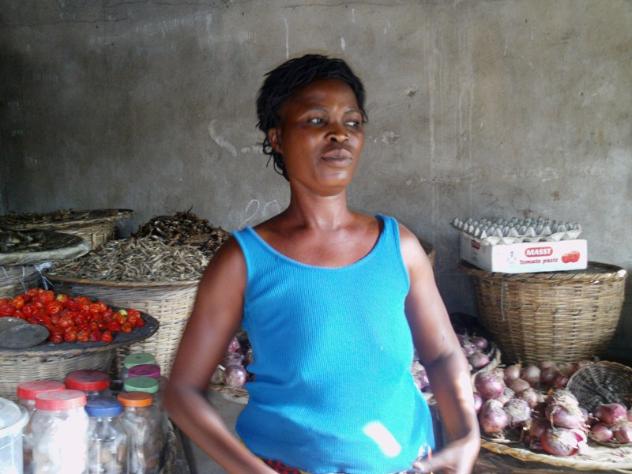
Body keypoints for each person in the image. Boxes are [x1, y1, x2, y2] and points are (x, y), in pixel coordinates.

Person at [165, 54, 480, 474]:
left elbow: (441, 355)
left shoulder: (399, 247)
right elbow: (182, 392)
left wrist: (466, 436)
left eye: (353, 122)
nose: (340, 134)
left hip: (408, 463)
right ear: (277, 138)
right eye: (316, 120)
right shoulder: (244, 260)